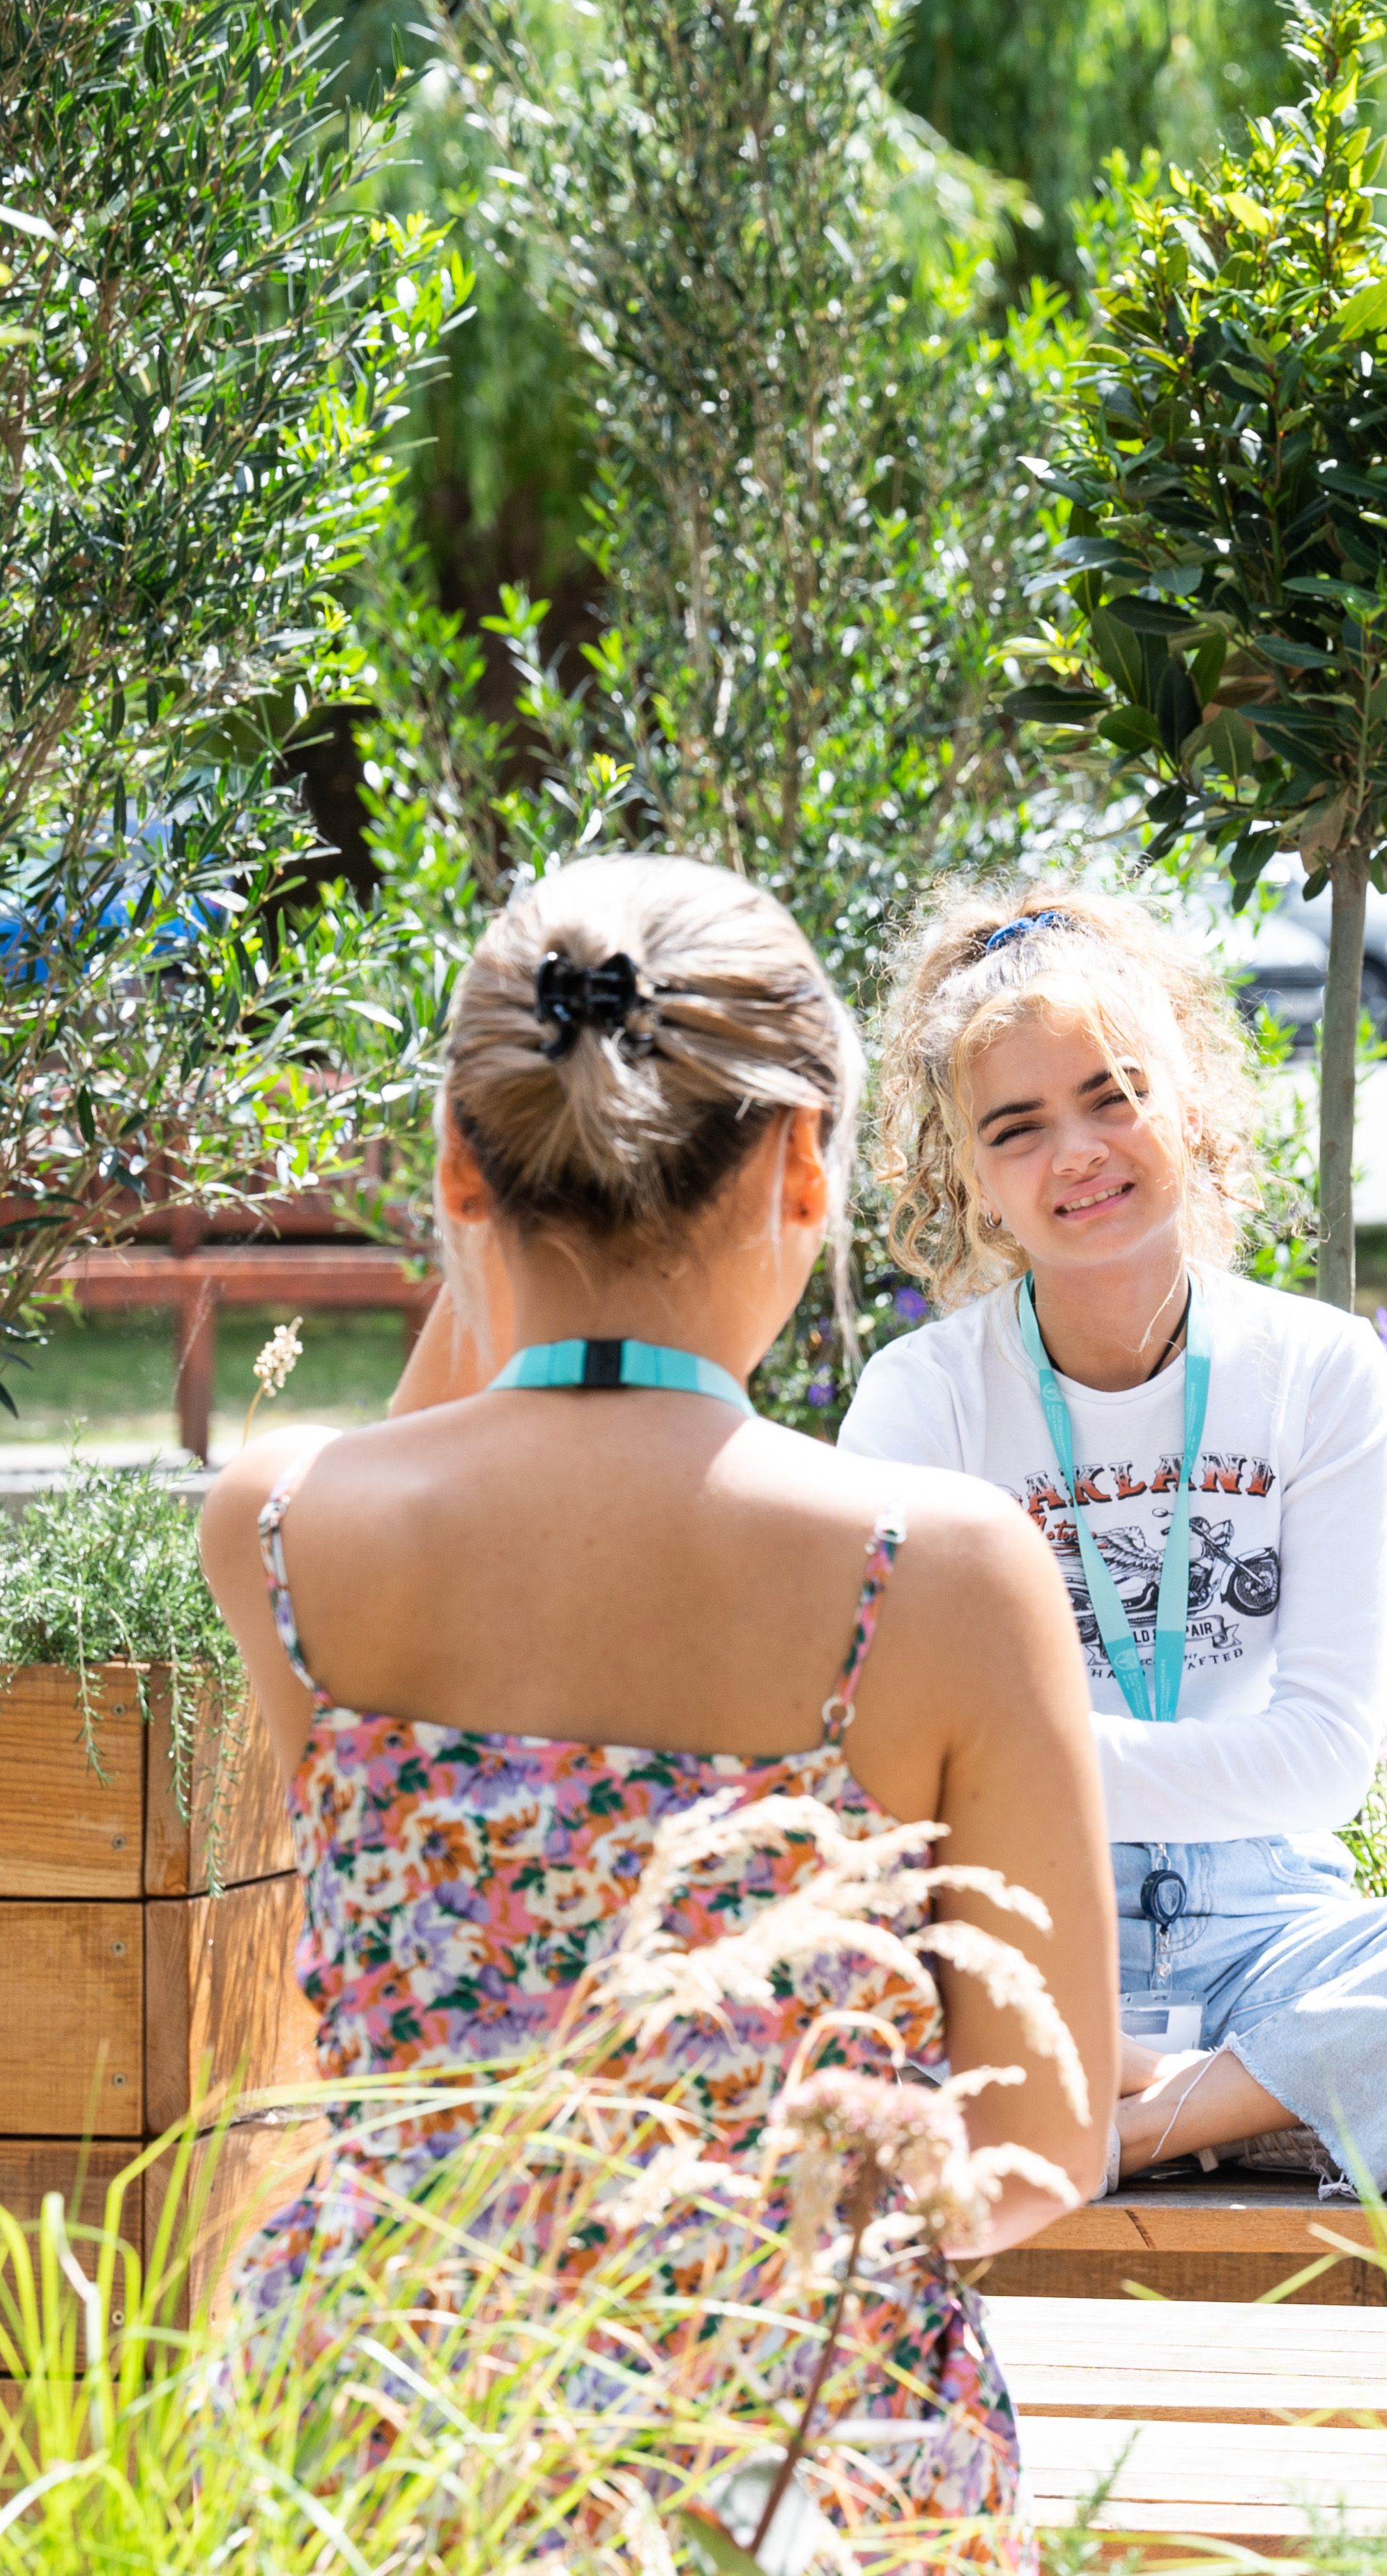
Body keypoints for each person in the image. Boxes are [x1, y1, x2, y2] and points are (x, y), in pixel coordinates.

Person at [201, 855, 1115, 2530]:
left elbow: (432, 1434)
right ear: (803, 1163)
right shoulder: (940, 1565)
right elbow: (1043, 2139)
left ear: (459, 1177)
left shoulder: (280, 1523)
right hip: (788, 2448)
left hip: (388, 2420)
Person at [837, 887, 1387, 2199]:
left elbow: (1319, 1768)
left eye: (1113, 1093)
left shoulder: (1319, 1367)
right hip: (1023, 1947)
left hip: (1275, 1940)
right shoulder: (922, 1396)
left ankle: (1148, 2119)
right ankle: (1300, 2093)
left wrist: (1024, 1762)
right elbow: (890, 1767)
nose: (1078, 1150)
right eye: (1016, 1128)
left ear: (1186, 1096)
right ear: (962, 1173)